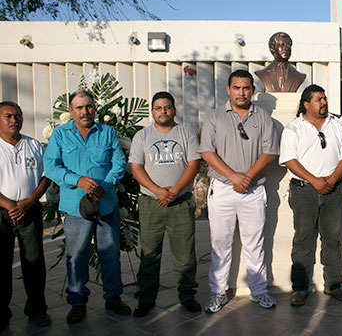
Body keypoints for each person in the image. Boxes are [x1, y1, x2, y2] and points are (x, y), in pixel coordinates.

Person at [44, 91, 130, 324]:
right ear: (71, 111)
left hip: (106, 204)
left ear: (94, 108)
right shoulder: (60, 135)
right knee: (77, 255)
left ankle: (113, 297)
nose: (85, 111)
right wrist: (77, 180)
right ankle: (77, 302)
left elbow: (119, 162)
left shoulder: (108, 132)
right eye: (79, 108)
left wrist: (106, 184)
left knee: (110, 254)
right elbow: (51, 166)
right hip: (75, 207)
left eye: (89, 106)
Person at [198, 69, 279, 313]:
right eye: (237, 87)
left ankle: (259, 290)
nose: (241, 92)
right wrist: (233, 176)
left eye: (246, 88)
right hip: (222, 189)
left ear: (253, 91)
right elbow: (207, 152)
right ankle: (218, 291)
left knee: (255, 243)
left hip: (253, 190)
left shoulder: (263, 117)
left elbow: (270, 152)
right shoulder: (214, 117)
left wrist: (247, 178)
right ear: (228, 89)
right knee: (220, 243)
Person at [279, 84, 342, 306]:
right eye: (318, 99)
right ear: (306, 103)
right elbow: (289, 160)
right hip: (303, 191)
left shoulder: (336, 125)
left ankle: (334, 285)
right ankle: (300, 288)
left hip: (333, 190)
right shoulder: (293, 128)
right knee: (303, 239)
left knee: (332, 239)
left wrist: (330, 181)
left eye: (324, 98)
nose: (324, 102)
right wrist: (315, 181)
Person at [129, 91, 201, 317]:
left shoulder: (185, 133)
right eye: (158, 107)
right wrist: (158, 191)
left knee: (185, 254)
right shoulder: (142, 136)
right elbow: (136, 168)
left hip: (180, 202)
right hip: (152, 203)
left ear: (174, 110)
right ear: (152, 111)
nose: (163, 111)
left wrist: (175, 190)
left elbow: (193, 164)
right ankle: (146, 298)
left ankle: (187, 295)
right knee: (150, 254)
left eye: (167, 107)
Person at [0, 102, 51, 328]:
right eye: (8, 116)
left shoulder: (33, 145)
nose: (14, 120)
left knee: (34, 262)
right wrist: (10, 205)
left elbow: (45, 176)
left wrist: (29, 201)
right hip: (2, 213)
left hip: (29, 211)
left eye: (18, 116)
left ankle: (37, 310)